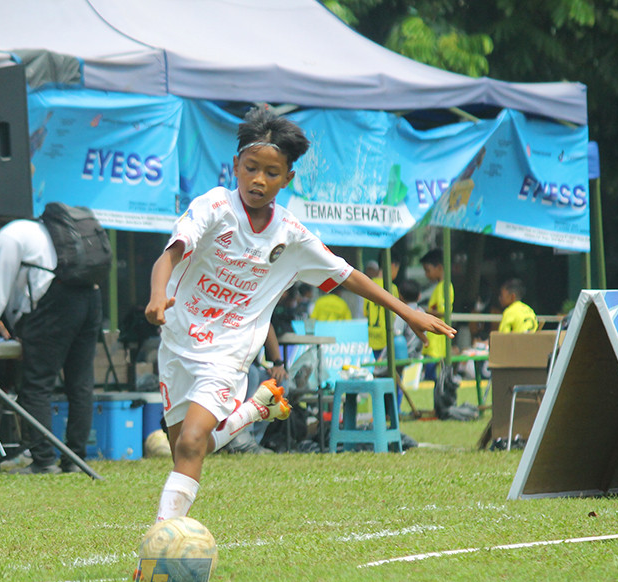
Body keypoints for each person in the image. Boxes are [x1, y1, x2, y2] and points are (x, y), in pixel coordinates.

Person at [144, 107, 455, 522]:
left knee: (190, 444)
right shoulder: (214, 207)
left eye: (271, 173)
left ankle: (163, 541)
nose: (258, 180)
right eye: (251, 168)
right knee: (187, 443)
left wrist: (407, 311)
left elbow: (349, 275)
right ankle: (254, 410)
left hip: (228, 353)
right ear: (235, 165)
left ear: (288, 179)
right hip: (178, 342)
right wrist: (156, 296)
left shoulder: (291, 234)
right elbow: (170, 255)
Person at [0, 214, 103, 475]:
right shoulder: (45, 229)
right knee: (80, 384)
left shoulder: (9, 235)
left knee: (37, 385)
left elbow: (0, 285)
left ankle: (43, 460)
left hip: (56, 303)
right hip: (90, 297)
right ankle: (75, 459)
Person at [420, 248, 454, 381]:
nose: (426, 274)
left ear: (439, 267)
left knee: (432, 378)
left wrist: (424, 311)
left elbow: (444, 312)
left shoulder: (445, 287)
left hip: (437, 343)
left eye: (427, 270)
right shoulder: (439, 287)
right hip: (433, 341)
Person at [363, 255, 401, 360]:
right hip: (386, 336)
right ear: (393, 266)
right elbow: (395, 314)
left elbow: (365, 312)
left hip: (372, 335)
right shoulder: (391, 287)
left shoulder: (368, 285)